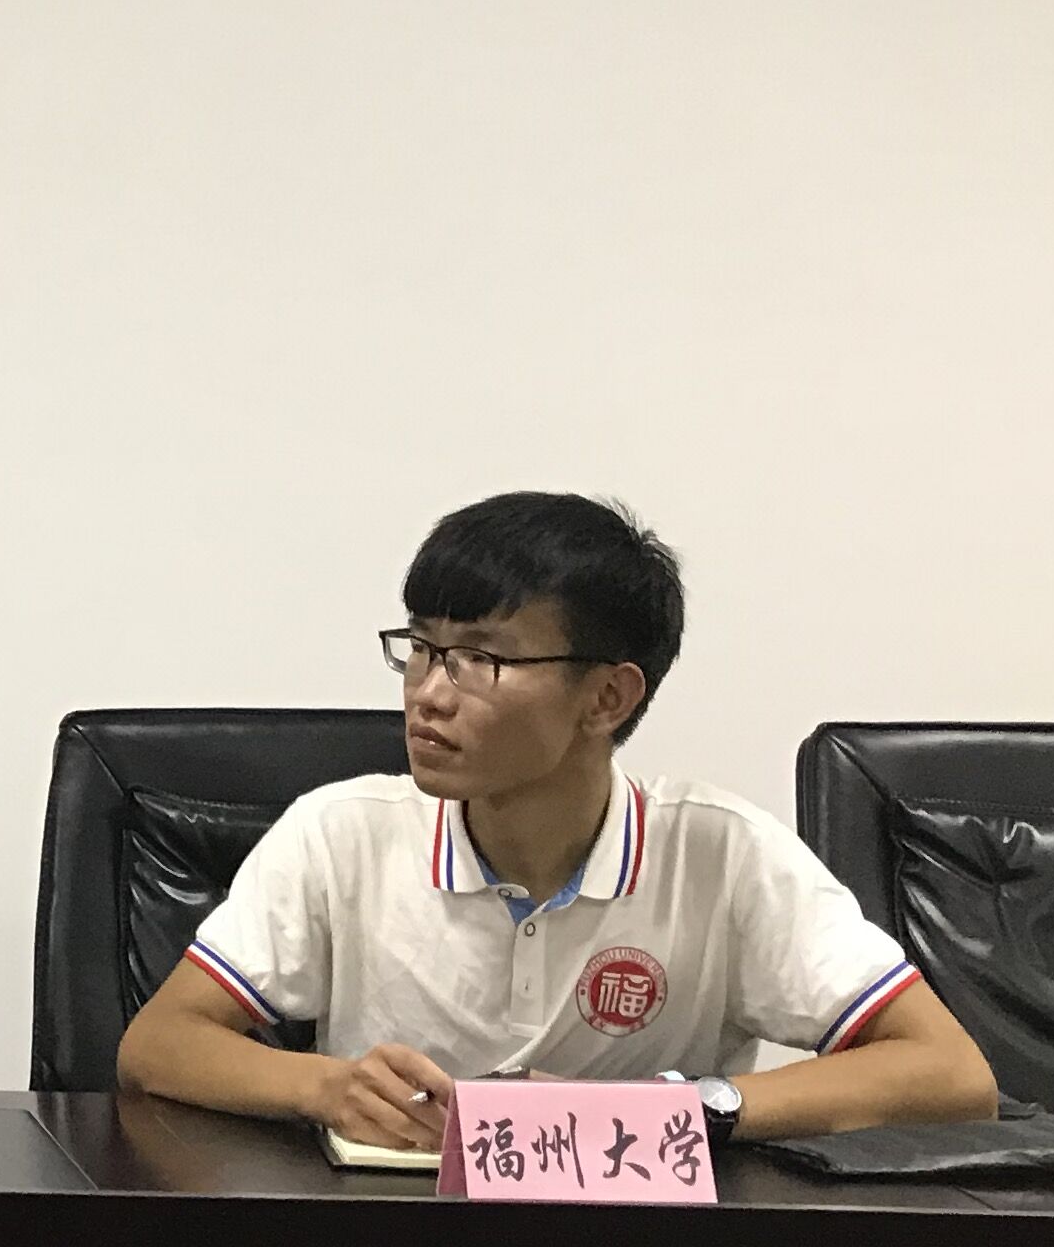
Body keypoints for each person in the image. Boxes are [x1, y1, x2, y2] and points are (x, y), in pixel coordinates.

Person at [117, 491, 994, 1152]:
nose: (427, 694)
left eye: (479, 658)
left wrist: (677, 1108)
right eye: (420, 647)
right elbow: (158, 1045)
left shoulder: (719, 853)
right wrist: (325, 1088)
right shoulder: (342, 834)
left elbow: (952, 1076)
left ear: (607, 697)